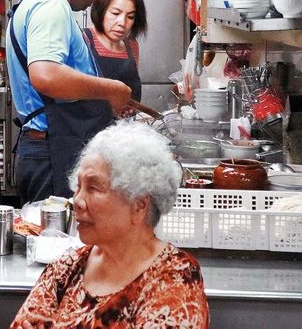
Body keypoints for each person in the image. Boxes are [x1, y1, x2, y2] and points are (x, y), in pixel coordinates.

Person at [11, 122, 209, 328]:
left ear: (139, 205)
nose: (77, 201)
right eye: (78, 187)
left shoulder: (174, 279)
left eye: (93, 188)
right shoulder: (66, 268)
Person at [7, 0, 133, 202]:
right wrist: (112, 89)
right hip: (51, 151)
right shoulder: (51, 5)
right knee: (55, 241)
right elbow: (46, 75)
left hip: (49, 147)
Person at [83, 0, 147, 103]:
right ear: (101, 11)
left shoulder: (132, 45)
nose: (122, 22)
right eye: (115, 13)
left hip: (126, 122)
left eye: (130, 17)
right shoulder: (84, 39)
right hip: (90, 121)